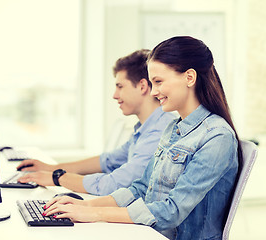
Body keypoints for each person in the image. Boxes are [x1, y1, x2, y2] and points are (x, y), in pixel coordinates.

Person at [41, 36, 242, 240]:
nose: (153, 92)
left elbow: (171, 211)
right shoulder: (174, 128)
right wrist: (86, 205)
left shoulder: (217, 137)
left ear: (189, 77)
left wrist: (93, 213)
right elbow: (141, 187)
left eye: (159, 82)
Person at [17, 49, 175, 196]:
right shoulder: (144, 129)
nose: (114, 95)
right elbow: (107, 161)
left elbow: (113, 184)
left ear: (142, 86)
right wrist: (50, 168)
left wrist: (56, 177)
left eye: (120, 86)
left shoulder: (159, 132)